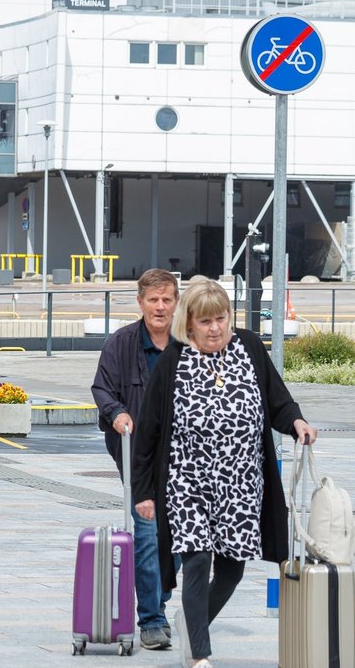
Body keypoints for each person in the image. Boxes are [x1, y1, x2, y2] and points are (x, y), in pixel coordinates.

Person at [132, 279, 318, 668]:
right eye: (205, 322)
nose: (215, 328)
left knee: (232, 568)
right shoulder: (174, 361)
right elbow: (148, 431)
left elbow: (277, 399)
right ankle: (200, 655)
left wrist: (297, 422)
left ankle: (192, 621)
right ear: (190, 323)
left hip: (240, 483)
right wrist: (144, 492)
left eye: (221, 319)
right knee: (197, 560)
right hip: (187, 482)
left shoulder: (249, 348)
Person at [90, 268, 180, 652]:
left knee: (179, 536)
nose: (160, 307)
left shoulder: (188, 344)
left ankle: (156, 596)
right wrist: (117, 413)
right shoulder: (121, 343)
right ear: (140, 302)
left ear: (177, 302)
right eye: (153, 300)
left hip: (185, 456)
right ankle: (152, 620)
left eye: (167, 299)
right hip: (139, 454)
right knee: (147, 532)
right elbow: (102, 387)